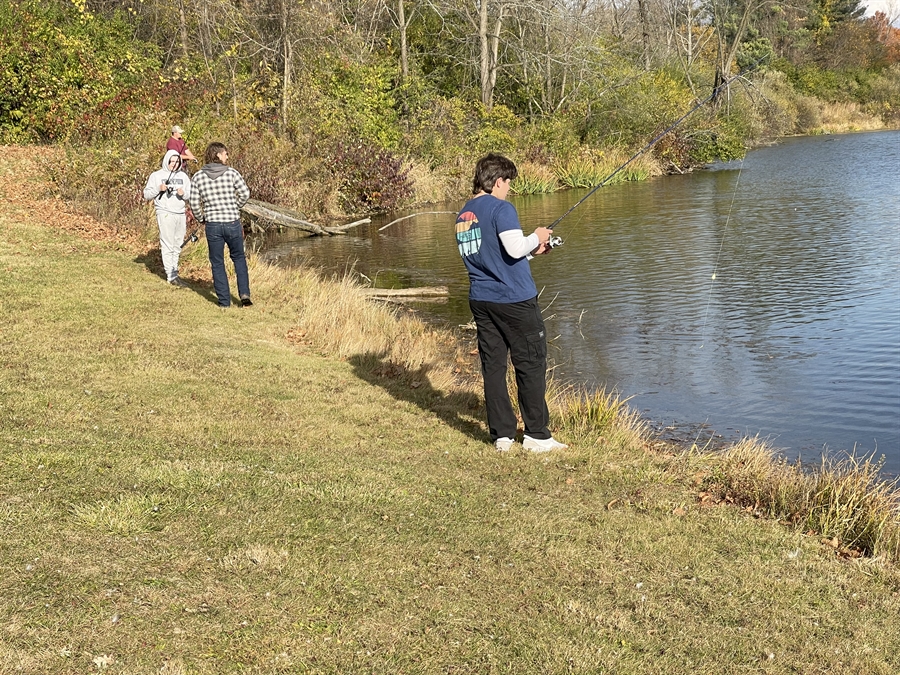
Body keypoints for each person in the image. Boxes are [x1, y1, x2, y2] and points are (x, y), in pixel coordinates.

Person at [455, 153, 567, 453]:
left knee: (493, 366)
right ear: (498, 181)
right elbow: (515, 246)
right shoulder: (501, 208)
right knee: (530, 363)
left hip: (481, 300)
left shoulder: (464, 215)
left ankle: (502, 435)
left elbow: (493, 257)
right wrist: (538, 235)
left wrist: (533, 250)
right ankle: (537, 436)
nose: (508, 190)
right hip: (514, 300)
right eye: (508, 184)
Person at [190, 142, 252, 308]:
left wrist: (201, 217)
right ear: (217, 155)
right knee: (238, 258)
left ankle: (224, 301)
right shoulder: (231, 173)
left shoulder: (198, 177)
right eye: (225, 154)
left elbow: (194, 203)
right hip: (232, 221)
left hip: (213, 224)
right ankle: (244, 294)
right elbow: (245, 193)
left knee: (217, 262)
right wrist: (235, 206)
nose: (227, 156)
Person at [143, 149, 191, 287]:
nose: (174, 164)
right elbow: (146, 194)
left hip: (180, 213)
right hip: (165, 212)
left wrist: (184, 194)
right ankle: (171, 275)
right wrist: (159, 188)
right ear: (167, 161)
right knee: (168, 243)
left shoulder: (184, 176)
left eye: (177, 162)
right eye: (172, 161)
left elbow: (191, 193)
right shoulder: (156, 176)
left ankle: (175, 272)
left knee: (178, 244)